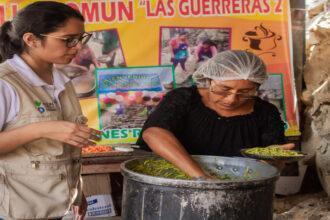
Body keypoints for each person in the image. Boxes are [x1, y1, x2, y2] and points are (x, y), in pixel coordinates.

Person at [0, 2, 102, 219]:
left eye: (81, 38)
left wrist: (76, 191)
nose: (78, 47)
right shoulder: (5, 84)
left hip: (55, 208)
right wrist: (41, 129)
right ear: (31, 40)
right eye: (68, 40)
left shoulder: (63, 82)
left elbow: (64, 153)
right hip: (14, 211)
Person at [137, 50, 294, 179]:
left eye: (245, 92)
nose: (231, 99)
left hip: (238, 186)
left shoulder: (265, 113)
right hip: (173, 181)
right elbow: (154, 133)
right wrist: (201, 178)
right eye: (223, 89)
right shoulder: (185, 99)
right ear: (209, 80)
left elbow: (272, 163)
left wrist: (274, 160)